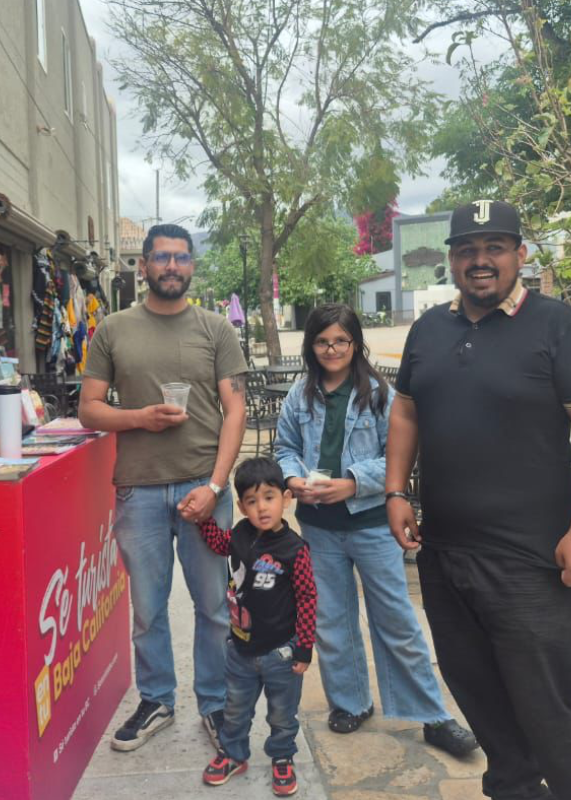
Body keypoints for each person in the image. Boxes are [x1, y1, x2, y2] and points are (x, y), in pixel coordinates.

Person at [385, 200, 571, 800]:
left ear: (520, 253)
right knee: (480, 697)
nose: (480, 261)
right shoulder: (430, 329)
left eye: (494, 247)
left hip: (531, 562)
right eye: (467, 249)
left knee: (550, 710)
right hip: (445, 555)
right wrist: (395, 490)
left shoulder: (559, 327)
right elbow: (406, 409)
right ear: (452, 260)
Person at [274, 303, 478, 756]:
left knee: (396, 619)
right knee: (331, 619)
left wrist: (352, 483)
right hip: (319, 528)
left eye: (341, 341)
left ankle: (432, 715)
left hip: (370, 524)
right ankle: (350, 702)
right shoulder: (300, 394)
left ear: (355, 343)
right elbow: (285, 446)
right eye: (323, 341)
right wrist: (291, 479)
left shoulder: (380, 394)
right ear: (311, 346)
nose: (332, 349)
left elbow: (398, 457)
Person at [79, 223, 248, 753]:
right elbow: (88, 409)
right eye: (160, 258)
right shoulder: (112, 329)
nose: (171, 266)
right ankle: (156, 699)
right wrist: (139, 418)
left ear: (192, 265)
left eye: (180, 258)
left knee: (214, 607)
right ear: (143, 265)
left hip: (204, 489)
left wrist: (217, 486)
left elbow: (236, 409)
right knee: (148, 609)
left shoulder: (216, 329)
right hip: (140, 491)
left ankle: (215, 704)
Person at [195, 457, 316, 797]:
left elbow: (307, 598)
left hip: (282, 651)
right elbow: (220, 545)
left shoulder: (295, 550)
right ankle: (234, 754)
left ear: (285, 499)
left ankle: (282, 757)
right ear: (241, 506)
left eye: (269, 497)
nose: (262, 507)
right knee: (235, 709)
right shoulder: (239, 534)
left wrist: (304, 647)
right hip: (240, 649)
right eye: (252, 501)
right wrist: (202, 520)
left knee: (282, 714)